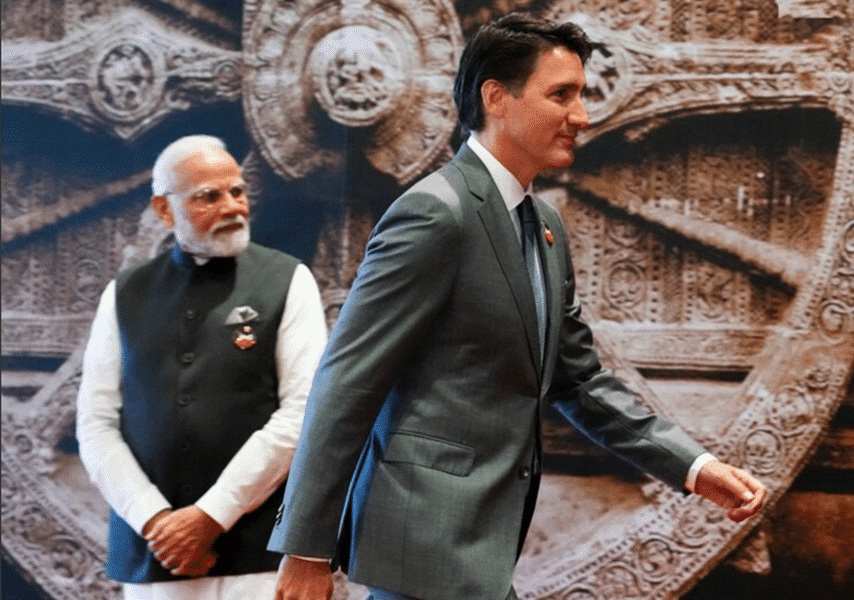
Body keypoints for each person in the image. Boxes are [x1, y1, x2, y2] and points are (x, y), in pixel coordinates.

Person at [269, 14, 766, 600]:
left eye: (580, 95)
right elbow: (346, 381)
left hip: (477, 553)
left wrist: (694, 467)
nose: (581, 116)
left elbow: (579, 381)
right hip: (421, 552)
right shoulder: (434, 213)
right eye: (562, 95)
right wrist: (306, 550)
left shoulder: (544, 226)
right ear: (496, 98)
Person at [76, 135, 328, 600]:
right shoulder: (125, 292)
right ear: (164, 210)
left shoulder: (288, 280)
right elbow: (94, 424)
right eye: (208, 197)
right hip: (156, 556)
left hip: (258, 559)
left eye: (237, 191)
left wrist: (210, 516)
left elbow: (303, 415)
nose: (232, 206)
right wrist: (155, 519)